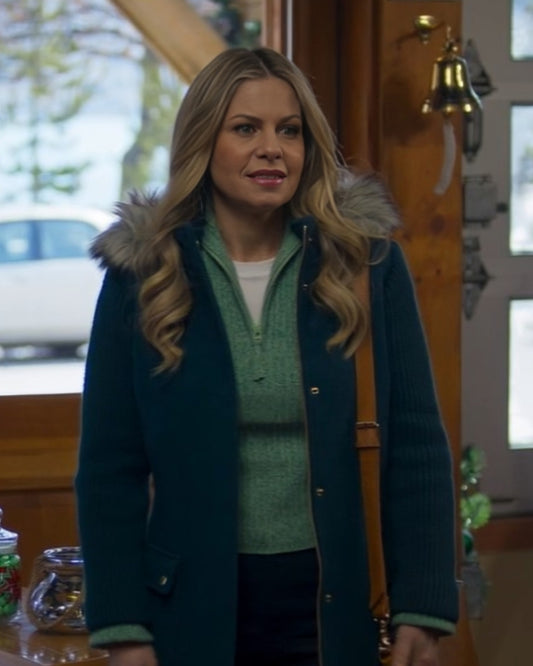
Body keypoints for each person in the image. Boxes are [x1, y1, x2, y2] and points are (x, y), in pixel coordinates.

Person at [75, 47, 459, 666]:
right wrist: (123, 627)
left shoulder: (366, 266)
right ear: (204, 141)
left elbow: (416, 444)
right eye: (246, 129)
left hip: (336, 603)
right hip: (188, 609)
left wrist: (422, 603)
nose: (272, 149)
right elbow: (108, 468)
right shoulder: (143, 275)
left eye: (290, 130)